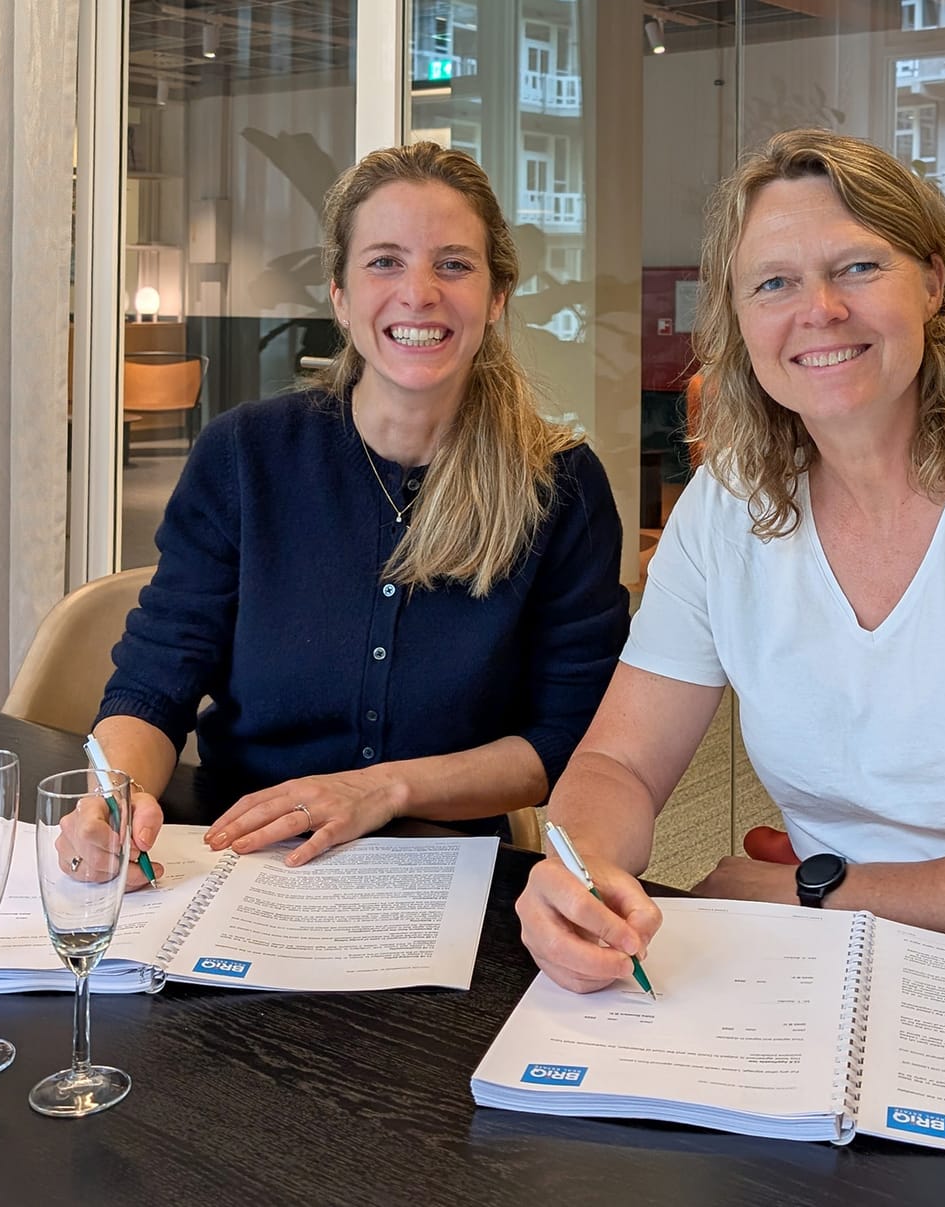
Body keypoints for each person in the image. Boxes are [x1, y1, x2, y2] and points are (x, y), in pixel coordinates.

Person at [515, 129, 945, 1023]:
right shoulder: (725, 505)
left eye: (856, 267)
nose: (818, 310)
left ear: (932, 281)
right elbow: (618, 758)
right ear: (738, 320)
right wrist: (579, 876)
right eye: (773, 283)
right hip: (828, 951)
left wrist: (814, 895)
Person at [67, 142, 629, 885]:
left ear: (497, 297)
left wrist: (384, 788)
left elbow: (566, 739)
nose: (419, 292)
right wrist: (115, 796)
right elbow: (155, 679)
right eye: (385, 261)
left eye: (454, 264)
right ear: (338, 292)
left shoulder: (559, 487)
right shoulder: (245, 454)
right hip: (241, 856)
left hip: (445, 874)